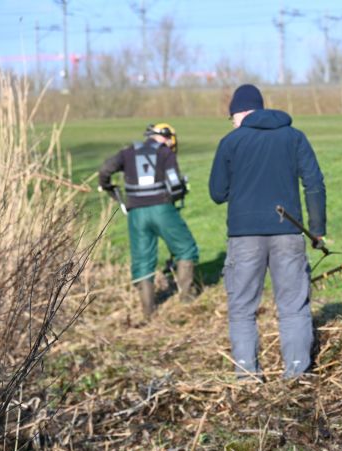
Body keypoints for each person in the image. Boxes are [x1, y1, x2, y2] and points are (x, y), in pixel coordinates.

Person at [209, 84, 326, 380]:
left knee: (242, 309)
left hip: (243, 236)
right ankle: (297, 374)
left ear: (239, 114)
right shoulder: (294, 137)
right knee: (294, 306)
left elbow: (217, 193)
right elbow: (314, 183)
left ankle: (247, 377)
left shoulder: (231, 142)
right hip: (288, 232)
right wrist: (317, 229)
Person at [99, 123, 199, 319]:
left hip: (136, 212)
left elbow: (105, 170)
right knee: (185, 247)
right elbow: (175, 183)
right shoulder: (165, 153)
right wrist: (179, 193)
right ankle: (186, 298)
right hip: (161, 208)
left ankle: (147, 312)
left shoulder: (128, 151)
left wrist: (108, 187)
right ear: (166, 137)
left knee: (142, 259)